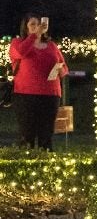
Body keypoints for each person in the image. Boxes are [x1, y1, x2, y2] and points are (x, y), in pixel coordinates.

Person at [8, 14, 68, 150]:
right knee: (27, 134)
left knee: (46, 135)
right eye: (33, 24)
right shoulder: (17, 43)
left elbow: (63, 67)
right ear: (26, 28)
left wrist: (59, 70)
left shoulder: (51, 46)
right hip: (26, 95)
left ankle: (46, 166)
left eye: (39, 24)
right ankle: (25, 166)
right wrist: (35, 36)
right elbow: (21, 53)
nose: (37, 27)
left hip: (50, 95)